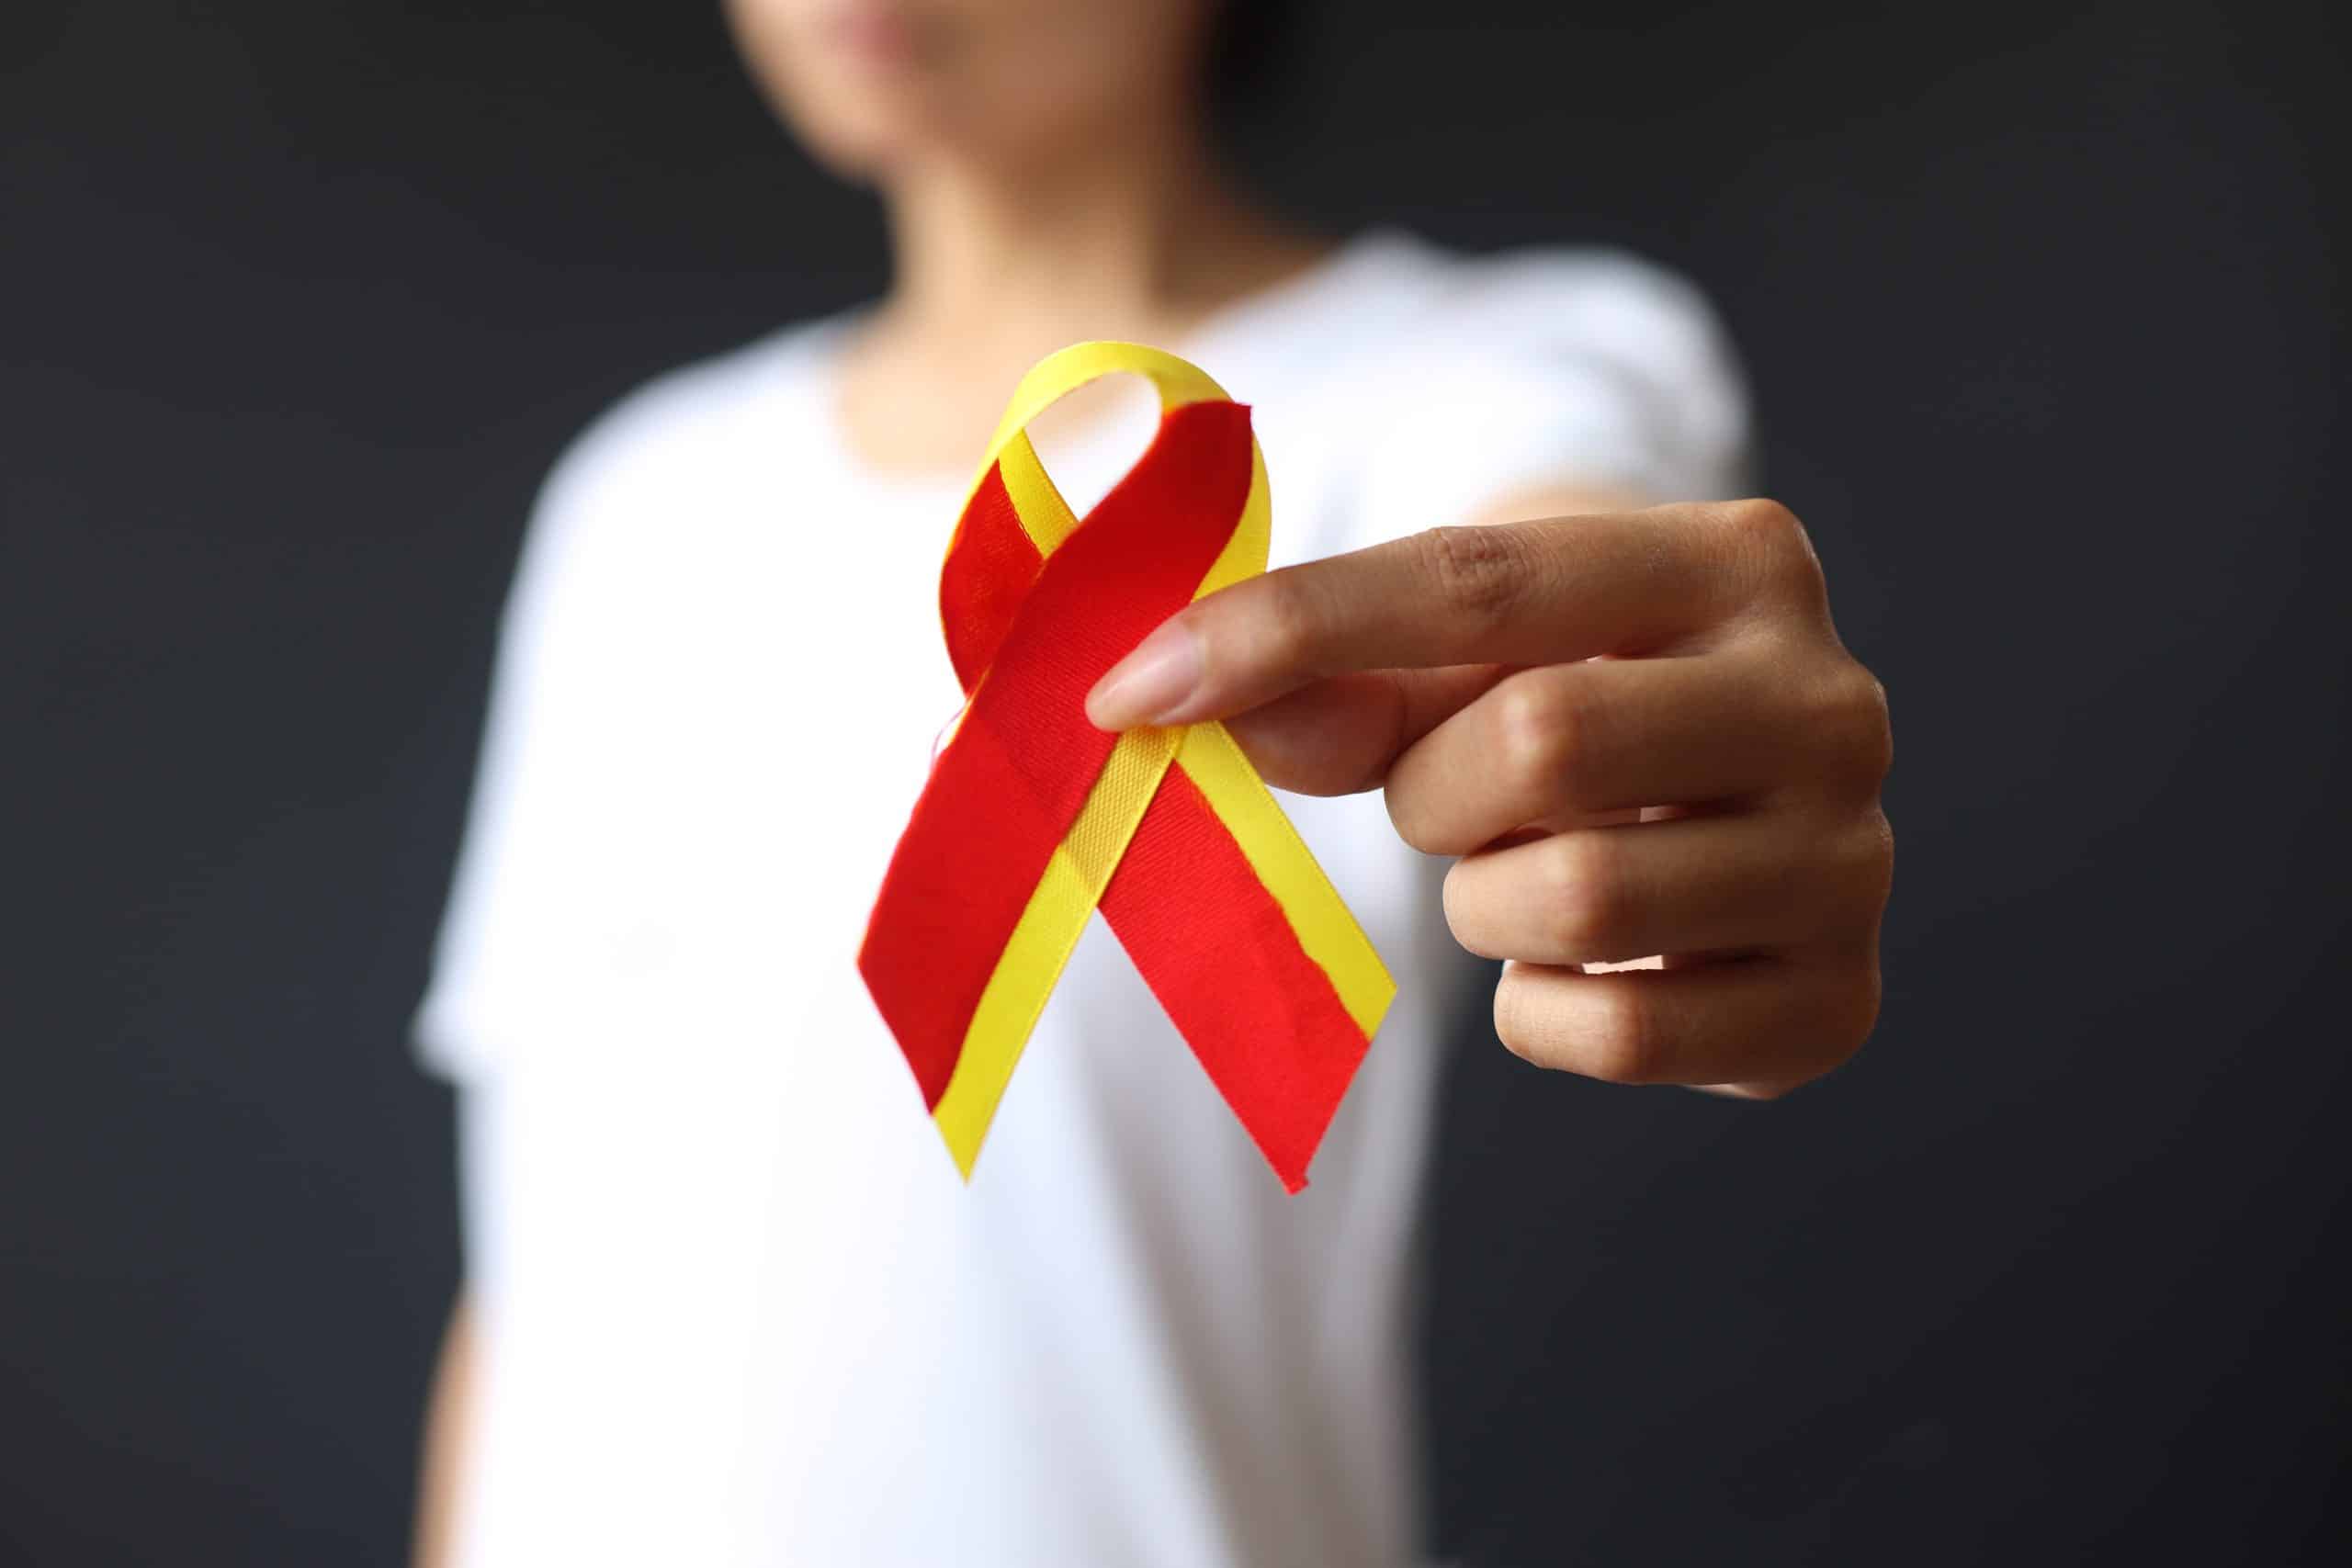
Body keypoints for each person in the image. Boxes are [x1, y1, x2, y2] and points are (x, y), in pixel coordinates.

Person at [410, 2, 1894, 1563]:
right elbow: (541, 1254)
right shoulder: (645, 500)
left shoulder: (1464, 380)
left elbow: (1558, 581)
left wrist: (1674, 776)